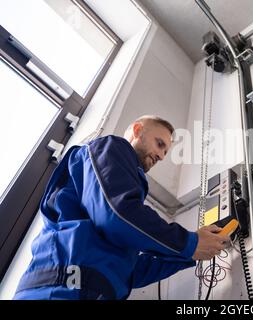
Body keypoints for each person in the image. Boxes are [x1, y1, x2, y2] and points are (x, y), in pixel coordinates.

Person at [13, 115, 229, 300]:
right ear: (137, 130)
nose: (161, 156)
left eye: (165, 152)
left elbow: (132, 271)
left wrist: (191, 255)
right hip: (61, 289)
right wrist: (190, 242)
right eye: (160, 144)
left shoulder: (117, 213)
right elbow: (117, 213)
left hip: (85, 287)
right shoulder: (110, 146)